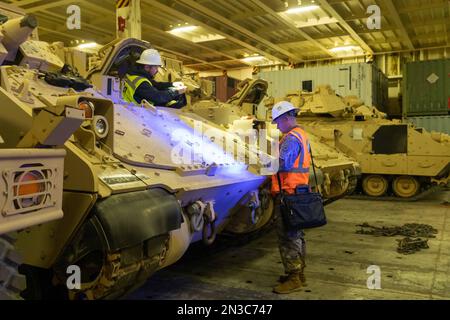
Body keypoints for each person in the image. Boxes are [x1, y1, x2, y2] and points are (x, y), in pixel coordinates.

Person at [271, 101, 311, 294]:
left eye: (277, 122)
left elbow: (281, 163)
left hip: (288, 193)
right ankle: (299, 274)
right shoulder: (302, 135)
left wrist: (262, 159)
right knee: (297, 235)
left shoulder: (290, 138)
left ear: (286, 118)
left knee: (288, 236)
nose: (277, 126)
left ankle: (294, 277)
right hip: (298, 191)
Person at [122, 48, 187, 108]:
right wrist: (176, 91)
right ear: (147, 67)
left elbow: (156, 84)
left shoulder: (135, 76)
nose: (157, 70)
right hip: (134, 112)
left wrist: (173, 84)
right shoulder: (142, 83)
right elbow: (158, 97)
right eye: (156, 67)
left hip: (129, 108)